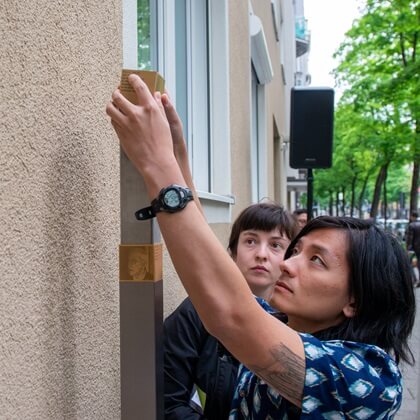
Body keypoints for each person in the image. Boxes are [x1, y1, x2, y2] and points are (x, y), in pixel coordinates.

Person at [106, 74, 416, 418]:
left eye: (316, 260)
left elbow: (231, 314)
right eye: (297, 250)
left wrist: (157, 164)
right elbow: (218, 285)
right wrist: (176, 159)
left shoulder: (368, 380)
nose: (285, 263)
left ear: (354, 300)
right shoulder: (286, 325)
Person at [164, 202, 297, 419]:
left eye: (275, 245)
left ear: (289, 260)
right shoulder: (196, 311)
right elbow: (168, 401)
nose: (261, 254)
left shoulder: (298, 322)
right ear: (233, 252)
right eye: (251, 241)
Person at [406, 211, 420, 286]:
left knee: (409, 264)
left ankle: (414, 279)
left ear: (412, 216)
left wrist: (408, 249)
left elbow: (410, 238)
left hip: (414, 248)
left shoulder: (412, 225)